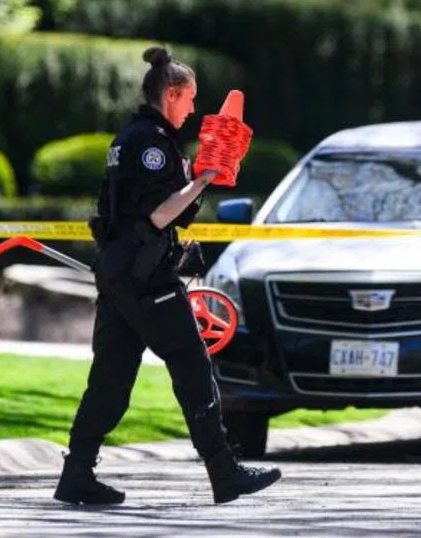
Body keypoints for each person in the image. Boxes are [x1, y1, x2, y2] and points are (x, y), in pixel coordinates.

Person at [54, 46, 281, 506]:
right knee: (193, 366)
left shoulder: (129, 139)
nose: (194, 109)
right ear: (172, 93)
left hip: (119, 275)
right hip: (146, 281)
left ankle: (77, 473)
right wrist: (204, 178)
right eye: (191, 98)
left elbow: (138, 214)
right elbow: (158, 214)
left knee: (110, 381)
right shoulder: (152, 145)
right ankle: (224, 472)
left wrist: (191, 201)